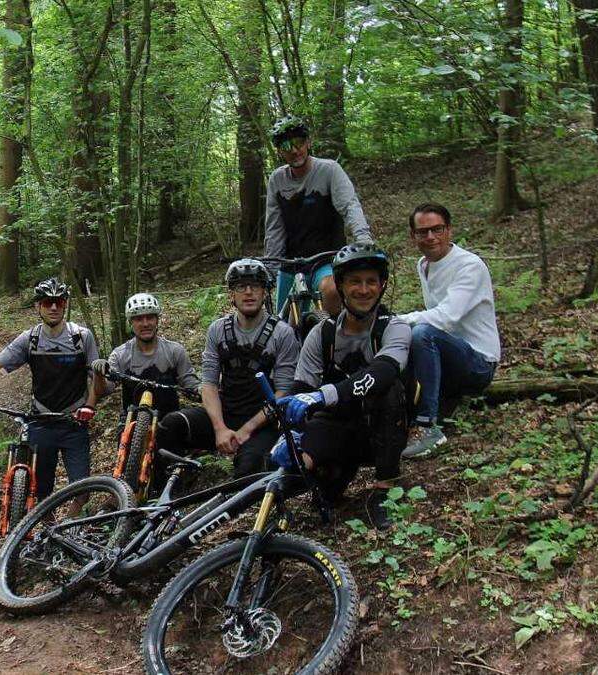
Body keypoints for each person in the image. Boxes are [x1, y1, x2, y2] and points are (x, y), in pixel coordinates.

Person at [277, 243, 409, 530]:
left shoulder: (394, 327)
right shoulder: (322, 334)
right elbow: (301, 388)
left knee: (390, 391)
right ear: (340, 286)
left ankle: (385, 489)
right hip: (339, 429)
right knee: (297, 469)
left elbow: (383, 373)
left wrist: (324, 395)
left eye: (371, 281)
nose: (364, 290)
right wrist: (290, 435)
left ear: (382, 285)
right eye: (355, 282)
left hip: (381, 433)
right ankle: (330, 473)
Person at [0, 278, 100, 502]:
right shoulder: (31, 339)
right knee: (40, 492)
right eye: (47, 302)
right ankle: (47, 530)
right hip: (41, 421)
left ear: (65, 304)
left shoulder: (81, 337)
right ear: (38, 306)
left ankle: (73, 528)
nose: (54, 307)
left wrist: (90, 406)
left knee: (81, 492)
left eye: (59, 302)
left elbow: (96, 377)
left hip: (74, 422)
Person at [398, 204, 500, 458]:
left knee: (422, 332)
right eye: (423, 232)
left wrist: (399, 319)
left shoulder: (469, 266)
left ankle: (427, 426)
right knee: (409, 336)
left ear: (449, 230)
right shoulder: (424, 265)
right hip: (448, 357)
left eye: (437, 229)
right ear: (413, 237)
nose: (431, 237)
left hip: (479, 363)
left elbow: (446, 317)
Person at [196, 259, 301, 478]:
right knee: (173, 425)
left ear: (264, 292)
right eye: (241, 287)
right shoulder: (217, 330)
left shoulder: (282, 333)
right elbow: (208, 384)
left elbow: (283, 392)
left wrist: (247, 430)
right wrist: (219, 428)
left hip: (263, 421)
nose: (248, 292)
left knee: (247, 470)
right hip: (226, 413)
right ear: (231, 295)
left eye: (255, 286)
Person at [264, 114, 373, 317]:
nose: (295, 150)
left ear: (308, 142)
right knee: (283, 323)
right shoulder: (277, 180)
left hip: (327, 259)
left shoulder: (329, 170)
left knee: (331, 291)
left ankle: (332, 340)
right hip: (291, 263)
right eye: (287, 145)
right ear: (280, 151)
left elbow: (350, 207)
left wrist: (364, 240)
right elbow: (274, 227)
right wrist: (269, 269)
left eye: (299, 142)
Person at [90, 293, 201, 490]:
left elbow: (189, 382)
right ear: (131, 323)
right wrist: (99, 372)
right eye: (139, 319)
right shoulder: (121, 354)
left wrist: (202, 390)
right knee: (124, 463)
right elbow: (104, 390)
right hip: (132, 419)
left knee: (170, 473)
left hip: (169, 419)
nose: (145, 323)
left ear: (157, 319)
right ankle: (122, 493)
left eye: (150, 317)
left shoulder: (174, 351)